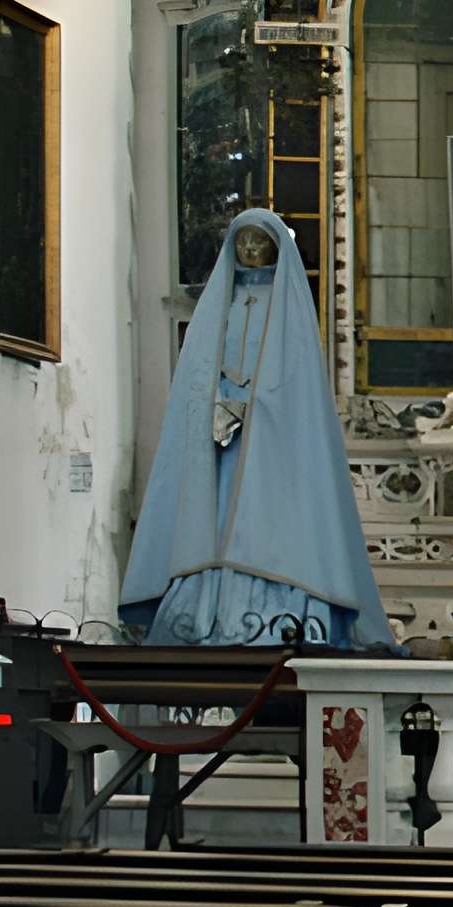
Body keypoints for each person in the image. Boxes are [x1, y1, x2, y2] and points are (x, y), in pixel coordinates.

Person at [120, 210, 394, 651]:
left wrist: (253, 408)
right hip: (220, 449)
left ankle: (274, 617)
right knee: (213, 520)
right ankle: (205, 614)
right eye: (242, 241)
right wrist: (214, 406)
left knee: (266, 526)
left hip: (272, 453)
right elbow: (199, 374)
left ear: (275, 247)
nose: (249, 250)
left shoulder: (292, 312)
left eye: (258, 241)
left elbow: (296, 392)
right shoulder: (218, 306)